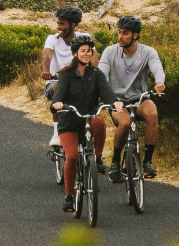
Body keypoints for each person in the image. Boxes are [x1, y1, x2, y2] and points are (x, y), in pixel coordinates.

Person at [51, 33, 128, 212]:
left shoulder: (96, 74)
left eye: (89, 51)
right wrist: (57, 104)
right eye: (83, 51)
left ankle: (98, 159)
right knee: (71, 156)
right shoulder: (66, 75)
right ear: (75, 54)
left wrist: (115, 102)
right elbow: (59, 95)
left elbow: (107, 92)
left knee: (100, 123)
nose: (87, 54)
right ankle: (69, 196)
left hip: (88, 118)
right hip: (69, 122)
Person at [99, 15, 165, 182]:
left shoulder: (148, 52)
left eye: (125, 33)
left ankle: (148, 161)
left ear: (135, 35)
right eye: (119, 32)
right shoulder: (110, 52)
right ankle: (115, 162)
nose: (120, 36)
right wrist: (105, 94)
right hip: (117, 100)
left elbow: (157, 68)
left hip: (139, 98)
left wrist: (159, 82)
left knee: (153, 113)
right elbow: (101, 75)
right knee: (126, 123)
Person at [41, 5, 98, 148]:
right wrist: (46, 70)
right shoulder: (52, 39)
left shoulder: (84, 38)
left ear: (73, 24)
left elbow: (94, 61)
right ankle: (56, 133)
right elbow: (46, 55)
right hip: (57, 80)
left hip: (80, 81)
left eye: (62, 24)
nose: (58, 27)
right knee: (58, 90)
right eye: (58, 23)